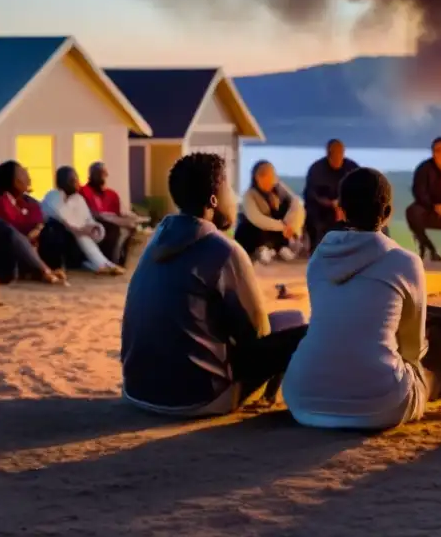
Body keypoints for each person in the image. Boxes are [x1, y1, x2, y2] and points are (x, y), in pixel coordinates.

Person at [120, 152, 309, 417]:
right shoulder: (224, 250)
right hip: (199, 397)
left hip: (138, 390)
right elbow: (257, 336)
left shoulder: (154, 243)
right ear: (213, 200)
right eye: (229, 188)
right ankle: (276, 400)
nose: (234, 197)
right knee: (299, 325)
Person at [282, 167, 435, 431]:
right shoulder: (405, 262)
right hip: (381, 405)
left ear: (341, 210)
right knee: (432, 371)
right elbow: (413, 348)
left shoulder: (319, 258)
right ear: (387, 214)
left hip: (303, 399)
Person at [41, 166, 124, 275]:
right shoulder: (52, 197)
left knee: (109, 228)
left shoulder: (78, 199)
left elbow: (88, 219)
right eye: (72, 180)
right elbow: (63, 221)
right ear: (62, 183)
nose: (77, 183)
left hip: (77, 240)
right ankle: (102, 264)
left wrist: (94, 228)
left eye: (76, 179)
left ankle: (100, 263)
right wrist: (83, 230)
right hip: (56, 238)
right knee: (59, 228)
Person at [234, 160, 306, 264]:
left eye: (272, 176)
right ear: (258, 178)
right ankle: (262, 249)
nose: (271, 180)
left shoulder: (279, 188)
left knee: (285, 207)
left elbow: (296, 203)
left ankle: (282, 247)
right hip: (256, 232)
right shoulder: (249, 195)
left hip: (278, 229)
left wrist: (291, 225)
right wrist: (283, 226)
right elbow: (257, 219)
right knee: (251, 224)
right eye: (266, 176)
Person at [80, 161, 147, 268]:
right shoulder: (84, 191)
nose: (102, 177)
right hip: (94, 223)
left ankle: (122, 262)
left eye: (103, 174)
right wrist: (111, 219)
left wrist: (133, 217)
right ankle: (108, 262)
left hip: (113, 220)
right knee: (112, 228)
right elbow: (90, 213)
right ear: (91, 175)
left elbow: (120, 212)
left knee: (134, 228)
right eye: (99, 173)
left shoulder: (112, 194)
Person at [303, 139, 359, 252]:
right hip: (321, 208)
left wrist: (343, 205)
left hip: (347, 207)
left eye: (340, 154)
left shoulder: (352, 168)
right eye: (335, 155)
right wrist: (331, 204)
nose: (338, 158)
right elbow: (312, 194)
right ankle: (319, 251)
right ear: (328, 154)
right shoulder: (316, 169)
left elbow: (360, 189)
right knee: (315, 219)